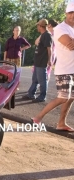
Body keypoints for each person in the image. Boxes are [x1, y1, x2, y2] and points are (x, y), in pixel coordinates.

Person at [31, 2, 74, 132]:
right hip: (64, 70)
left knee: (70, 98)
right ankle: (37, 118)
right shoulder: (60, 28)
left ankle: (61, 123)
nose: (73, 15)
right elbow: (70, 45)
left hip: (72, 69)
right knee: (63, 97)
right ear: (66, 13)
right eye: (71, 12)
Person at [23, 19, 52, 102]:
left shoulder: (47, 35)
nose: (37, 27)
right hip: (37, 61)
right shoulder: (43, 35)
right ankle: (31, 94)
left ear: (40, 26)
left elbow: (49, 49)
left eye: (38, 25)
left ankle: (42, 96)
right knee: (35, 80)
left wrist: (49, 60)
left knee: (42, 80)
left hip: (42, 62)